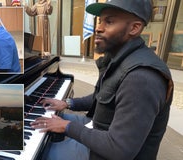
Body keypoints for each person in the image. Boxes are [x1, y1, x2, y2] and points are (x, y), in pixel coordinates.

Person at [30, 0, 174, 159]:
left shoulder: (141, 77)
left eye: (109, 21)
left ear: (134, 28)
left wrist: (67, 127)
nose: (98, 28)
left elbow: (118, 149)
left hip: (105, 151)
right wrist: (68, 103)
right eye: (100, 21)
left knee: (40, 154)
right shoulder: (120, 59)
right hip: (99, 126)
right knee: (51, 117)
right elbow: (104, 97)